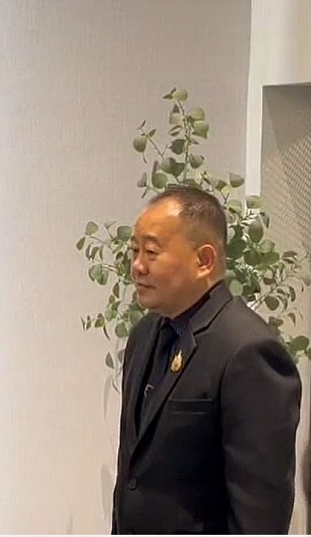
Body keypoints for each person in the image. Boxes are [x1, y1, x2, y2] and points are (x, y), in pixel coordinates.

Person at [113, 186, 301, 534]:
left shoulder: (248, 351)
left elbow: (260, 515)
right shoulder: (145, 334)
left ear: (204, 260)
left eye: (151, 252)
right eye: (134, 250)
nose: (137, 266)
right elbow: (133, 479)